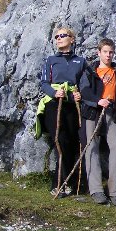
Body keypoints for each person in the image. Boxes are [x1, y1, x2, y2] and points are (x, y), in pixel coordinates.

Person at [38, 27, 87, 197]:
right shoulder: (51, 60)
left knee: (72, 143)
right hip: (54, 104)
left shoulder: (80, 61)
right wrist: (54, 92)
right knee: (60, 141)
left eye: (62, 35)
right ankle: (58, 183)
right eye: (56, 36)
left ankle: (69, 183)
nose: (58, 38)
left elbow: (85, 83)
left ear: (72, 39)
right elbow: (44, 83)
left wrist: (80, 93)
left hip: (73, 106)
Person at [80, 37, 116, 207]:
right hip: (93, 112)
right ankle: (96, 190)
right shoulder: (90, 71)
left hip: (112, 112)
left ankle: (115, 192)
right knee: (91, 147)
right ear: (98, 53)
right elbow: (84, 92)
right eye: (105, 52)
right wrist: (97, 101)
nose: (108, 55)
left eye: (111, 52)